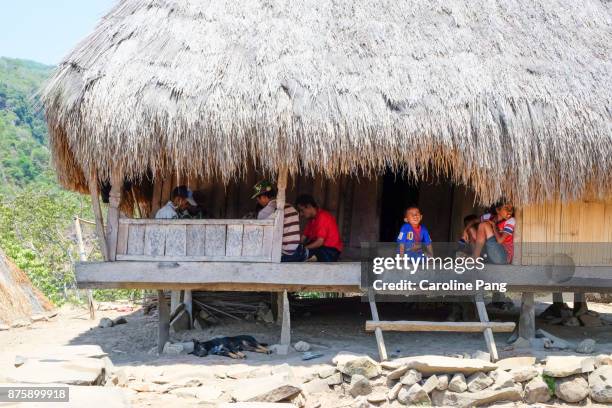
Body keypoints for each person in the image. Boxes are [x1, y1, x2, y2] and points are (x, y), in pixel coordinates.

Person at [251, 180, 303, 262]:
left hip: (282, 254)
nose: (258, 202)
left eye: (258, 199)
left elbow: (261, 238)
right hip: (295, 251)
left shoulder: (264, 213)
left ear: (264, 197)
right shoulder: (292, 208)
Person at [295, 194, 343, 262]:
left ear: (309, 206)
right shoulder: (311, 220)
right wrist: (296, 248)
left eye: (302, 210)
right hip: (320, 248)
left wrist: (303, 249)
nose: (301, 214)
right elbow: (303, 238)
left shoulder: (322, 217)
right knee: (299, 251)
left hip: (330, 252)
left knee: (302, 253)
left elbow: (319, 242)